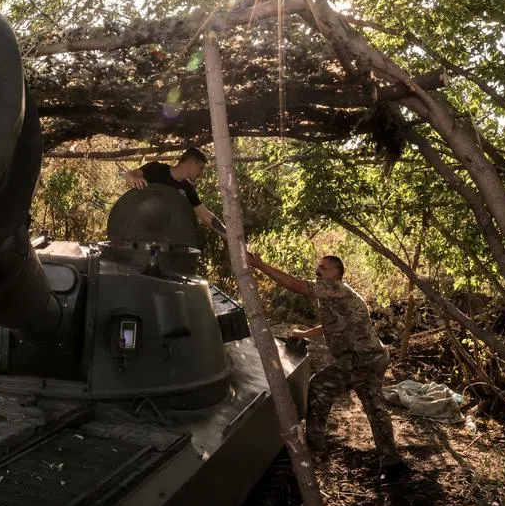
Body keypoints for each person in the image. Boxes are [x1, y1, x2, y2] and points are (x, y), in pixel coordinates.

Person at [245, 250, 406, 475]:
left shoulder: (335, 288)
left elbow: (298, 286)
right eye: (318, 266)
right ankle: (392, 461)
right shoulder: (335, 296)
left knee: (320, 386)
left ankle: (315, 451)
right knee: (374, 406)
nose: (317, 271)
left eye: (323, 268)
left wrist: (259, 265)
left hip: (362, 358)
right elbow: (333, 325)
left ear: (336, 273)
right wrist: (304, 334)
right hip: (374, 357)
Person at [122, 148, 227, 237]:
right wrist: (133, 179)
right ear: (191, 162)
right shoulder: (156, 169)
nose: (202, 174)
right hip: (139, 233)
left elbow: (206, 216)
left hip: (166, 239)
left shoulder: (188, 189)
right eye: (200, 168)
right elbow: (128, 174)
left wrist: (230, 237)